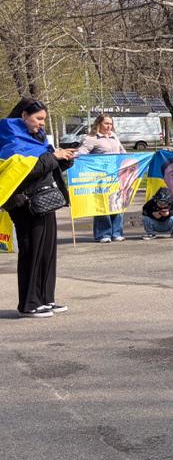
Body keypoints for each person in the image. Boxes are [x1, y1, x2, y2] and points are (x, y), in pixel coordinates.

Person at [2, 98, 77, 318]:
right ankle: (29, 303)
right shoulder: (10, 137)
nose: (42, 123)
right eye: (38, 118)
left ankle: (45, 299)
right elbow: (25, 172)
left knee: (47, 253)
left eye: (44, 119)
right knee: (31, 252)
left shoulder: (38, 138)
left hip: (44, 200)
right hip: (24, 203)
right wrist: (52, 157)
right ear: (24, 115)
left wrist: (64, 159)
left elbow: (46, 166)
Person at [77, 114, 127, 243]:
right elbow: (82, 152)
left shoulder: (114, 137)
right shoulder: (91, 138)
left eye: (110, 124)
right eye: (106, 123)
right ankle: (103, 234)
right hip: (100, 177)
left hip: (116, 176)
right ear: (99, 124)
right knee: (102, 205)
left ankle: (116, 232)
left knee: (117, 204)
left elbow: (123, 152)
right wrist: (74, 156)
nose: (109, 126)